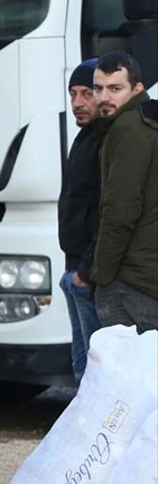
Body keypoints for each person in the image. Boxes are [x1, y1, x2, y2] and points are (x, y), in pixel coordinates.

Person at [91, 51, 158, 333]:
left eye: (115, 88)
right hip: (143, 278)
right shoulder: (145, 121)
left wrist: (101, 275)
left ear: (137, 89)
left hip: (131, 282)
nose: (104, 97)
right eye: (98, 88)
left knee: (124, 374)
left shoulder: (129, 127)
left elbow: (120, 210)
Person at [56, 58, 103, 381]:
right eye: (73, 94)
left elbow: (108, 211)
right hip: (74, 269)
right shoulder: (85, 137)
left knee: (93, 373)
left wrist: (85, 272)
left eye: (87, 93)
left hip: (89, 274)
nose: (77, 103)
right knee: (81, 369)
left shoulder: (105, 140)